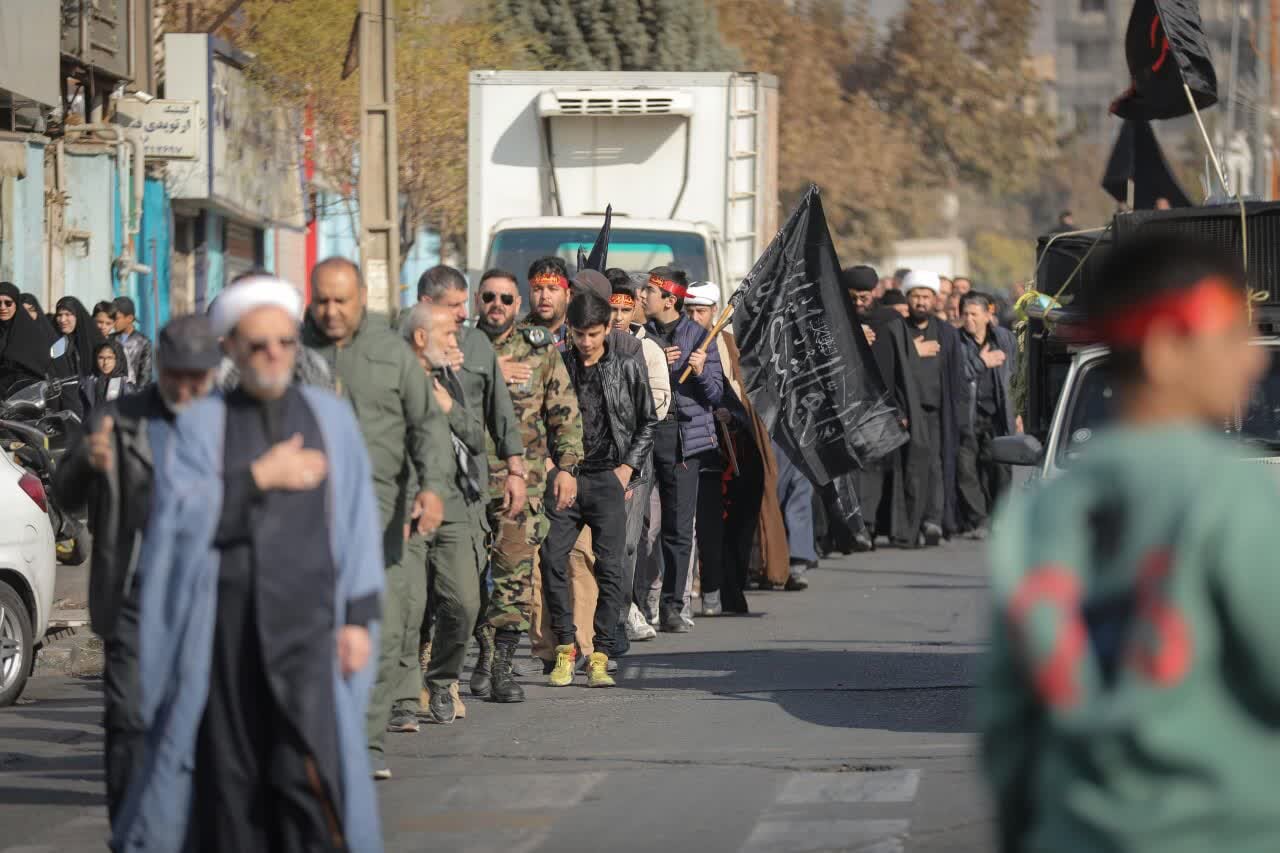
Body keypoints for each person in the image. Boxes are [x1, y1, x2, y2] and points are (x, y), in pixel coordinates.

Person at [981, 232, 1280, 853]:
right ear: (1167, 348)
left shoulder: (1041, 512)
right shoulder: (1235, 495)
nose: (1250, 361)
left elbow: (1010, 722)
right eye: (1232, 337)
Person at [113, 278, 385, 853]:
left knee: (311, 785)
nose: (274, 355)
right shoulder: (202, 425)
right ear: (232, 348)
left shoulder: (330, 419)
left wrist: (359, 619)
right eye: (258, 345)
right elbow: (176, 524)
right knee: (233, 796)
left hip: (309, 635)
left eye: (285, 342)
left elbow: (359, 524)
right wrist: (260, 477)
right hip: (225, 639)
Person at [52, 314, 220, 828]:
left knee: (201, 722)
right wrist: (85, 462)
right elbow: (65, 496)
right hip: (133, 595)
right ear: (160, 369)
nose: (186, 388)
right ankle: (130, 828)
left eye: (197, 377)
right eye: (177, 376)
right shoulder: (116, 419)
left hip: (208, 599)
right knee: (128, 718)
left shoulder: (231, 424)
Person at [301, 257, 449, 780]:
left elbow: (427, 426)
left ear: (362, 297)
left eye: (341, 300)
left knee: (378, 628)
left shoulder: (391, 353)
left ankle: (365, 742)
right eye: (322, 300)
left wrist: (432, 488)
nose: (331, 311)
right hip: (304, 516)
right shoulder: (293, 351)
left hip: (381, 513)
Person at [413, 265, 524, 724]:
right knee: (412, 601)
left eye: (465, 303)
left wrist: (515, 469)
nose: (466, 313)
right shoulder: (397, 346)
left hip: (463, 490)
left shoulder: (476, 345)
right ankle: (413, 688)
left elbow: (499, 411)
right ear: (427, 305)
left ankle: (443, 678)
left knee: (463, 599)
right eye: (455, 305)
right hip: (411, 490)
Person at [470, 269, 583, 703]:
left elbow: (563, 411)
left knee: (514, 577)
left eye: (505, 298)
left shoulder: (537, 348)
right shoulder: (459, 348)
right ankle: (482, 651)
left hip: (522, 484)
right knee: (464, 583)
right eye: (489, 297)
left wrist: (567, 467)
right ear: (477, 301)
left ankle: (501, 667)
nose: (496, 305)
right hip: (464, 483)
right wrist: (486, 370)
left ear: (517, 305)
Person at [541, 292, 657, 687]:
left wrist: (627, 469)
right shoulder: (558, 365)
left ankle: (602, 654)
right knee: (551, 559)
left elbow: (648, 421)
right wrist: (552, 466)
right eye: (579, 334)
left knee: (611, 568)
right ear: (569, 330)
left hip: (609, 478)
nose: (586, 342)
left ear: (608, 328)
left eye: (593, 333)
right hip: (566, 479)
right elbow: (539, 418)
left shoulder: (627, 366)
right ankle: (565, 647)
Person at [642, 266, 723, 630]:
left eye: (649, 291)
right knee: (642, 528)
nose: (643, 297)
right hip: (645, 436)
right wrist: (653, 363)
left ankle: (674, 606)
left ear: (668, 300)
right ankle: (638, 603)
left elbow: (715, 394)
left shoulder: (700, 337)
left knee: (678, 527)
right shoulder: (640, 336)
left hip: (683, 441)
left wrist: (701, 370)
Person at [607, 268, 670, 638]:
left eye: (624, 309)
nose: (618, 317)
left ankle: (626, 607)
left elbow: (659, 405)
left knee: (630, 541)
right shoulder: (587, 347)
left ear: (635, 310)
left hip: (635, 456)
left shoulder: (648, 350)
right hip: (596, 459)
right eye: (611, 309)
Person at [901, 270, 963, 547]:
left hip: (937, 411)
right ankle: (910, 524)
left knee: (936, 466)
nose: (921, 302)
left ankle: (934, 520)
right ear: (908, 298)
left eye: (926, 296)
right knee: (912, 467)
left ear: (935, 299)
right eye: (916, 296)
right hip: (906, 413)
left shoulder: (947, 332)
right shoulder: (898, 330)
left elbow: (957, 375)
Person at [955, 292, 1018, 538]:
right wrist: (981, 363)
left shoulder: (1005, 338)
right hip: (967, 415)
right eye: (965, 314)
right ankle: (978, 520)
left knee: (1001, 470)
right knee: (966, 470)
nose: (969, 319)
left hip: (998, 414)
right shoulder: (955, 341)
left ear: (987, 315)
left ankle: (999, 517)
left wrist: (1019, 411)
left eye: (974, 314)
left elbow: (1016, 375)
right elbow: (954, 377)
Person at [52, 295, 106, 419]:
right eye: (59, 315)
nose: (62, 320)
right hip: (62, 408)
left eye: (68, 314)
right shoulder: (55, 343)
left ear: (78, 316)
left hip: (91, 405)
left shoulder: (96, 342)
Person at [0, 282, 53, 395]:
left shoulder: (32, 334)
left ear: (16, 305)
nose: (3, 307)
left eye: (8, 303)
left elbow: (39, 368)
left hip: (25, 396)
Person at [82, 339, 134, 420]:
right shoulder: (87, 382)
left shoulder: (125, 384)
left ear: (118, 359)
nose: (105, 362)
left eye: (110, 358)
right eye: (101, 358)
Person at [112, 296, 154, 388]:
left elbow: (145, 376)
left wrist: (136, 394)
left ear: (129, 318)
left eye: (116, 318)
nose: (113, 322)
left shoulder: (143, 343)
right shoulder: (110, 339)